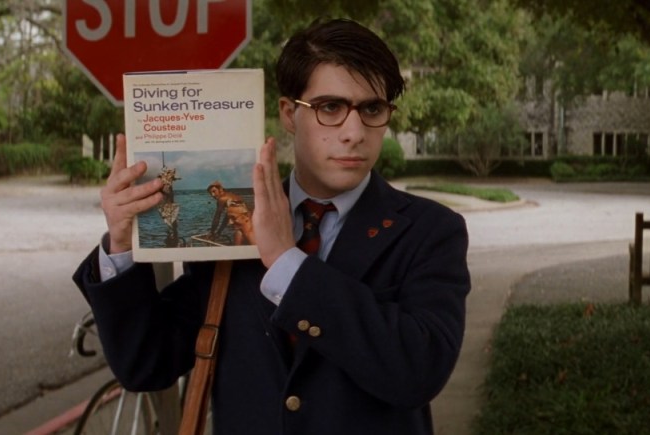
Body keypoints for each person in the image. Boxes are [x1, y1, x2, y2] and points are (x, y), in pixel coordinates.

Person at [73, 18, 470, 434]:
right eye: (330, 108)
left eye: (372, 109)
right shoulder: (234, 221)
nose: (354, 133)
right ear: (288, 114)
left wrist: (286, 262)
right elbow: (145, 365)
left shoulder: (430, 230)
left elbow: (419, 372)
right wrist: (119, 243)